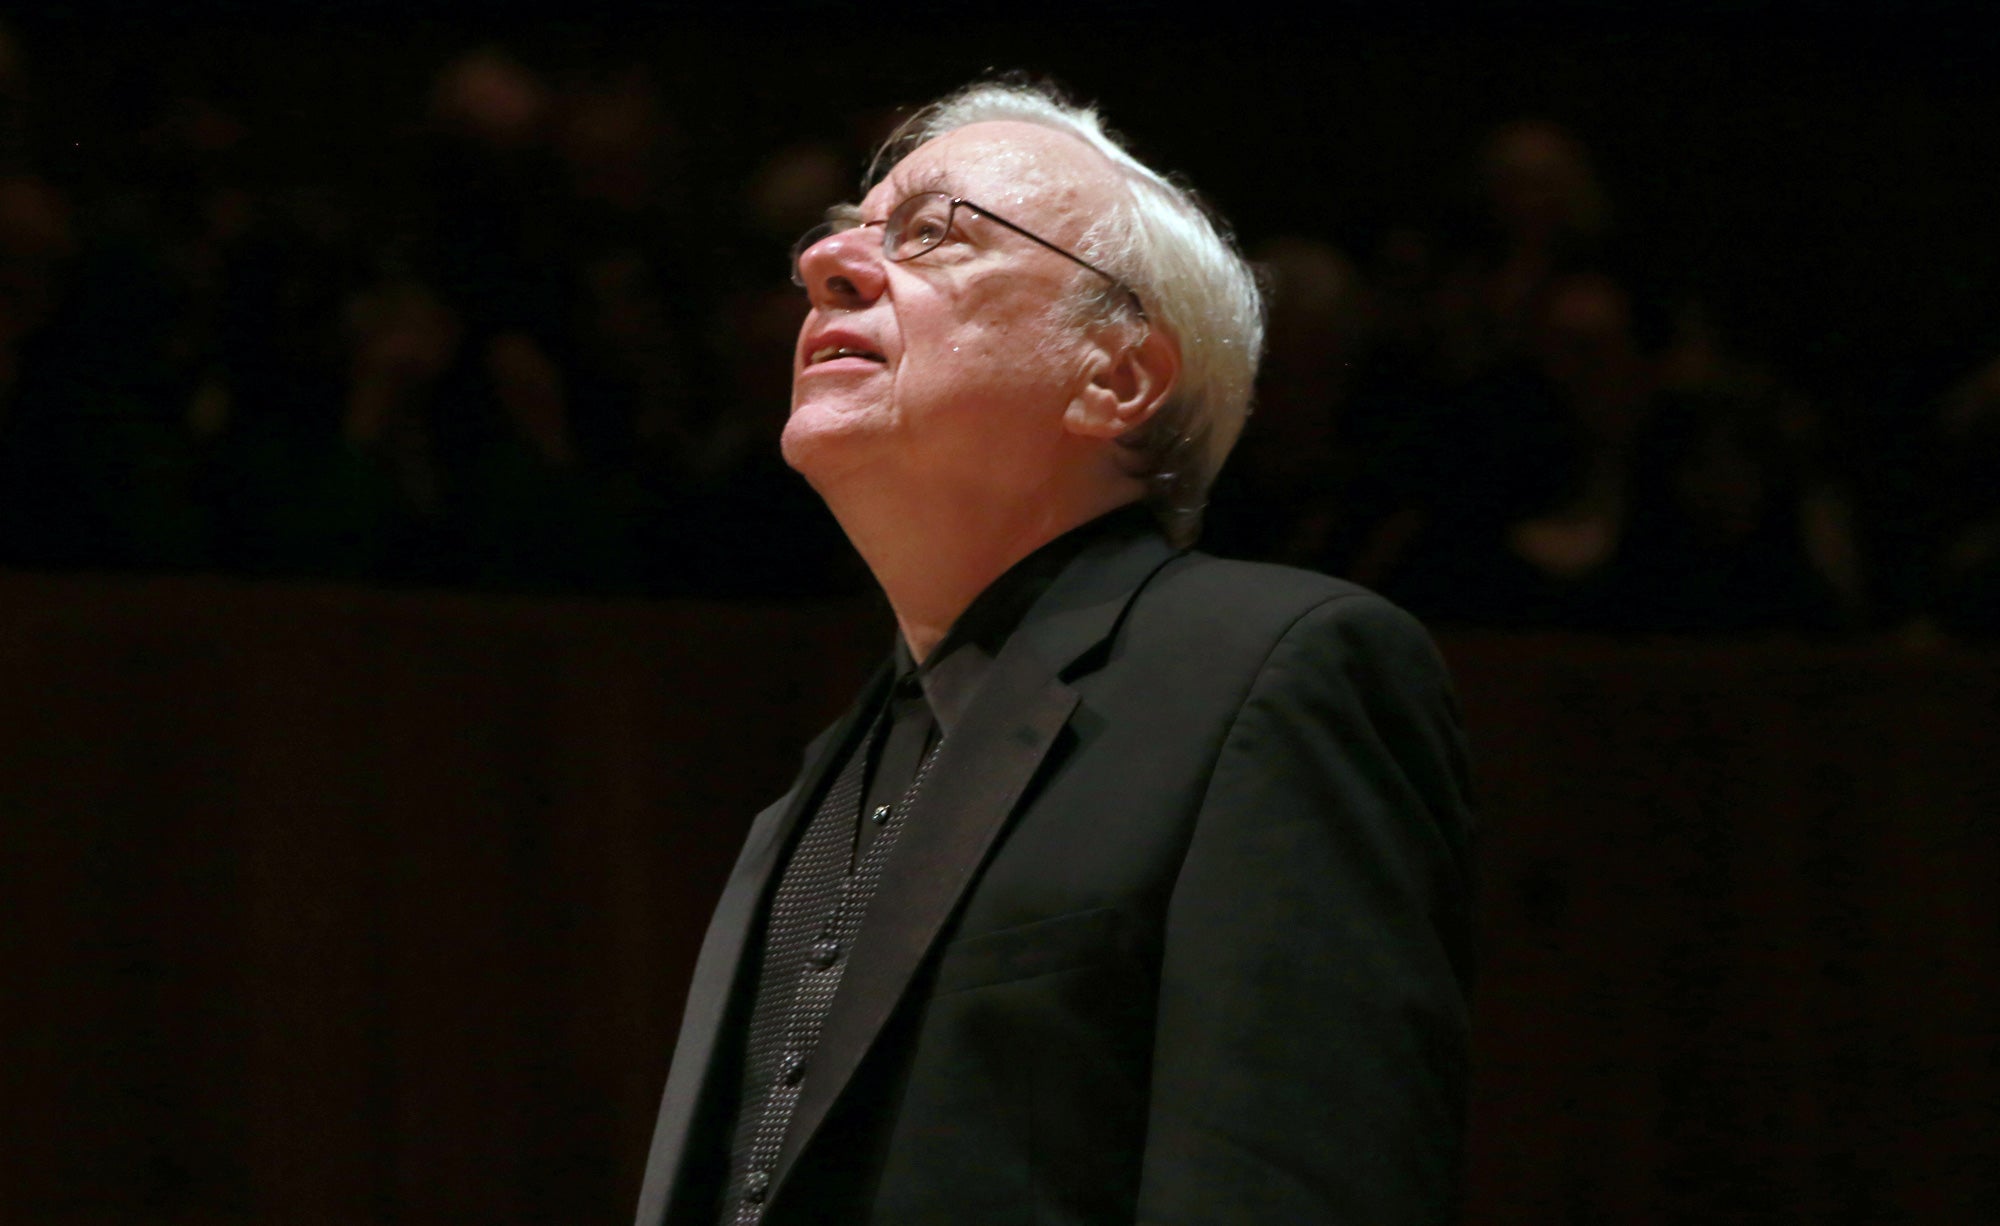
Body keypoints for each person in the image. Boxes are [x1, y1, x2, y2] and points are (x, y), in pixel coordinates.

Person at [634, 80, 1476, 1226]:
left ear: (1115, 374)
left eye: (932, 233)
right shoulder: (814, 783)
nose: (829, 260)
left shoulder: (1272, 675)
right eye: (845, 227)